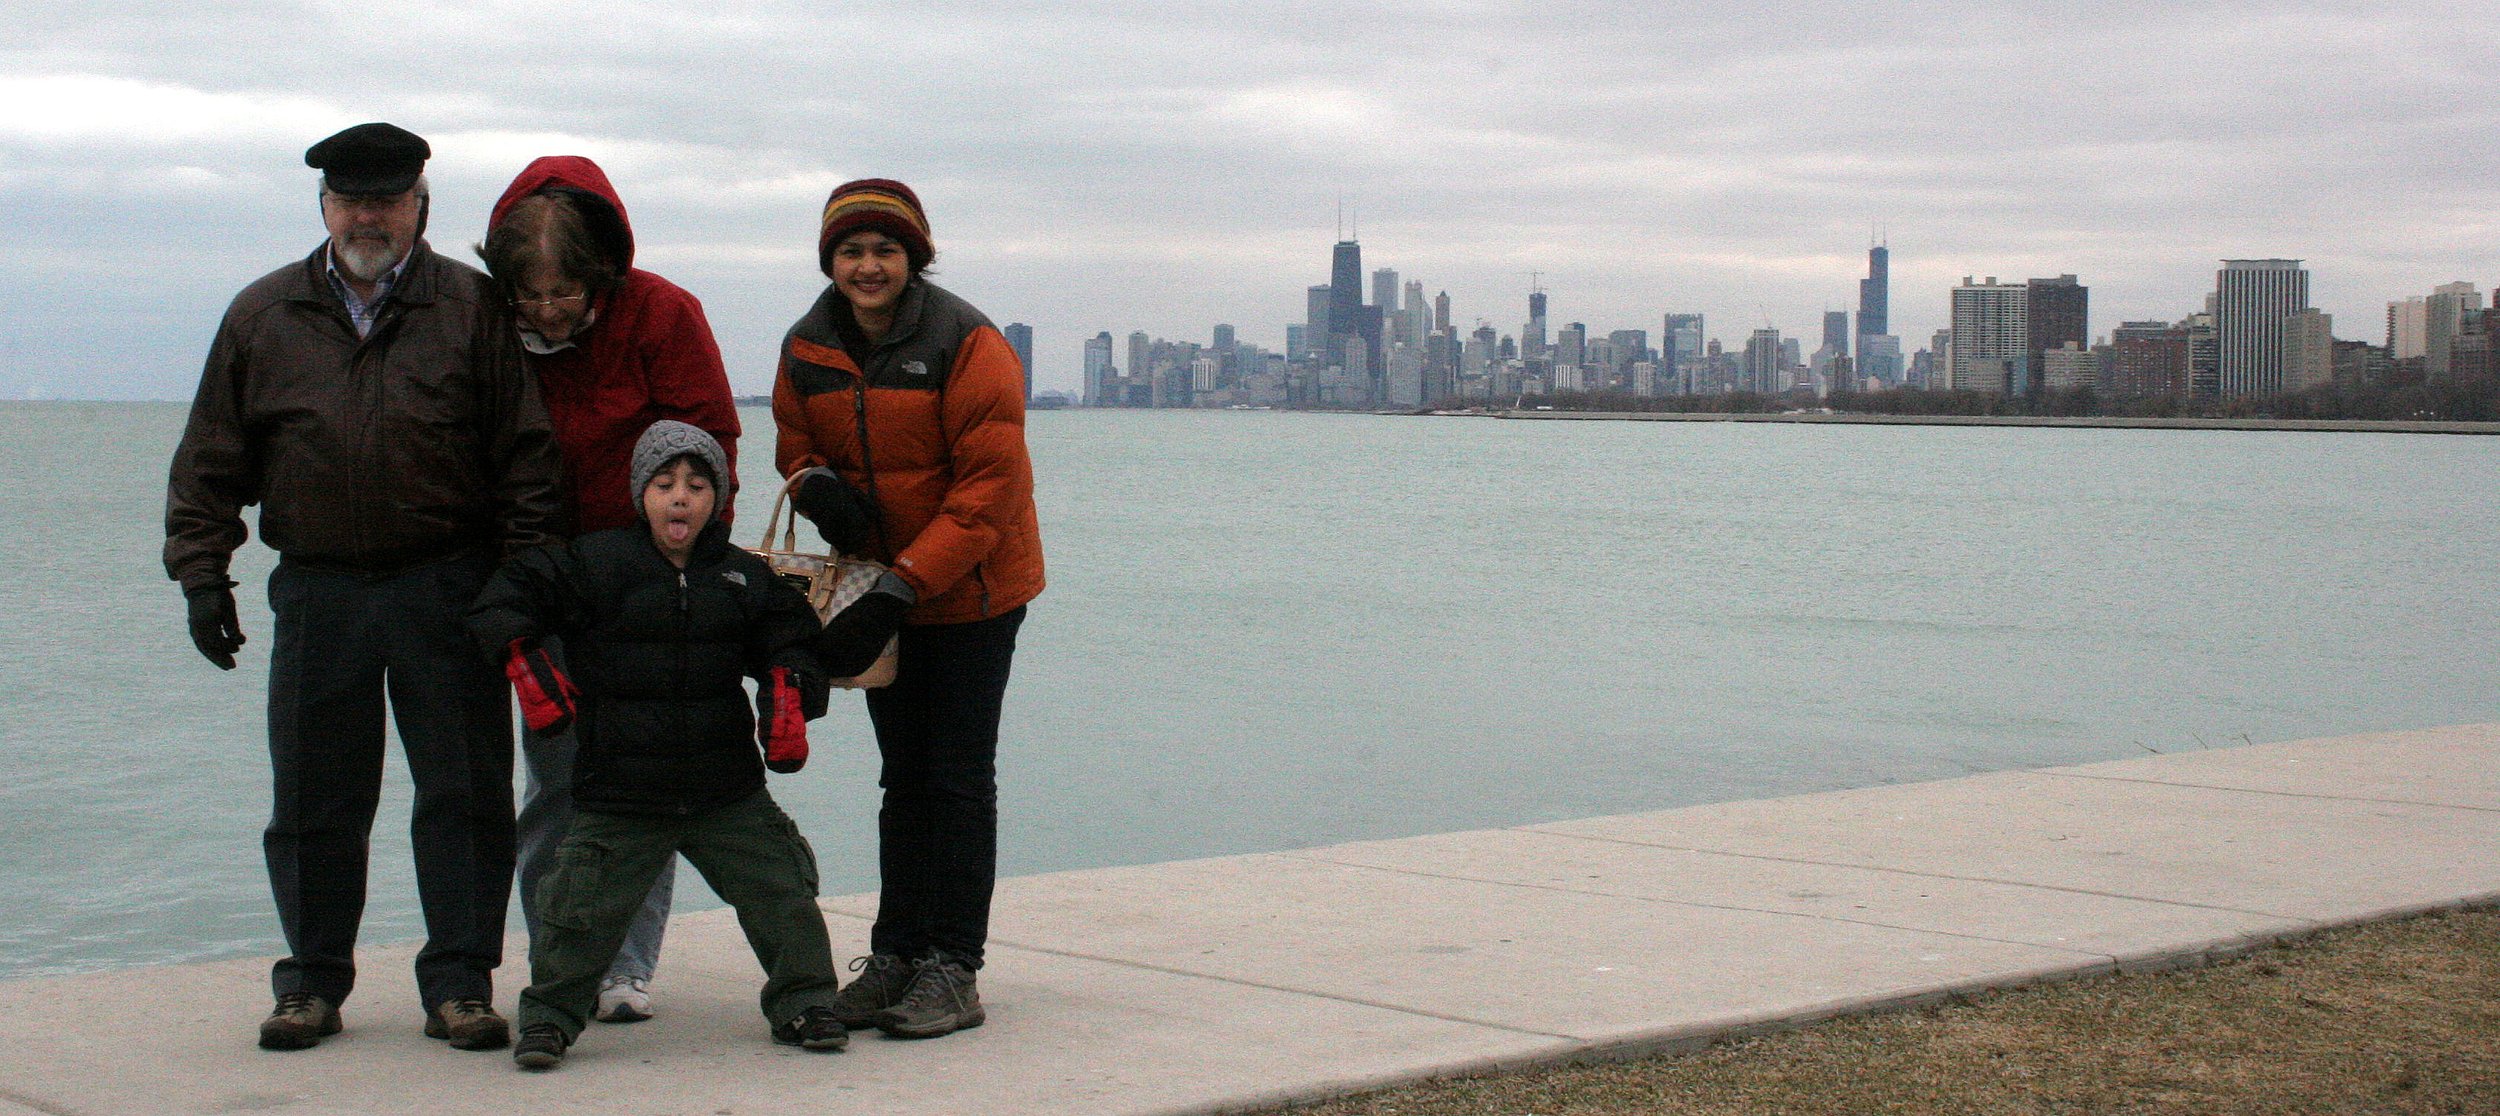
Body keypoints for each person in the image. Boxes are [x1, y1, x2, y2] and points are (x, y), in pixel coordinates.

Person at [164, 122, 562, 1051]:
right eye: (351, 199)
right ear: (324, 206)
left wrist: (518, 590)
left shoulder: (471, 309)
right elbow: (210, 462)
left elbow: (527, 465)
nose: (368, 215)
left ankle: (461, 985)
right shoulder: (262, 316)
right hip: (318, 591)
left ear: (422, 205)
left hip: (450, 588)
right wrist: (201, 576)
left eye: (387, 198)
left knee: (464, 799)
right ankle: (310, 984)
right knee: (312, 800)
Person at [467, 421, 843, 1069]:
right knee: (575, 914)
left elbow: (793, 635)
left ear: (716, 500)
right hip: (620, 791)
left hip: (725, 790)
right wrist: (524, 660)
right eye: (665, 483)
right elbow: (506, 596)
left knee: (783, 892)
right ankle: (551, 1018)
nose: (680, 498)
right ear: (641, 491)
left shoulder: (741, 579)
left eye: (697, 486)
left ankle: (805, 1001)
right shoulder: (594, 563)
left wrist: (791, 689)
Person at [772, 178, 1045, 1039]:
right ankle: (895, 954)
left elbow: (990, 488)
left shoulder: (969, 342)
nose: (867, 265)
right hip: (883, 584)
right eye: (850, 250)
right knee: (903, 778)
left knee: (956, 777)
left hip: (973, 592)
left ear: (914, 257)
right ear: (831, 261)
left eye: (885, 249)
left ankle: (952, 967)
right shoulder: (807, 345)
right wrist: (817, 488)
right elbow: (793, 439)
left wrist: (903, 584)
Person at [476, 155, 743, 1025]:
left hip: (644, 577)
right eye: (532, 296)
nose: (549, 312)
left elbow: (709, 444)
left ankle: (625, 966)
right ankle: (563, 957)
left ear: (600, 274)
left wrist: (692, 568)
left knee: (642, 770)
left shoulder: (664, 313)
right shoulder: (485, 324)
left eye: (566, 294)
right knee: (556, 781)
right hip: (540, 579)